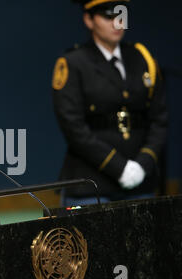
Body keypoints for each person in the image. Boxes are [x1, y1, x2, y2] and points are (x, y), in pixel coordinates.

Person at [52, 0, 167, 206]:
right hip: (90, 185)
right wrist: (119, 167)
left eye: (121, 14)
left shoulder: (142, 58)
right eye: (108, 16)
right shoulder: (74, 62)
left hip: (141, 183)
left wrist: (144, 163)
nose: (117, 23)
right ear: (89, 19)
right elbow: (73, 128)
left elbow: (159, 119)